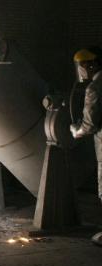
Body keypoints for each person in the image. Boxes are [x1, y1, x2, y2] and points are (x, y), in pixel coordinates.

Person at [70, 47, 102, 246]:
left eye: (81, 66)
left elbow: (89, 125)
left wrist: (76, 131)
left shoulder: (95, 88)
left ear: (90, 64)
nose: (80, 71)